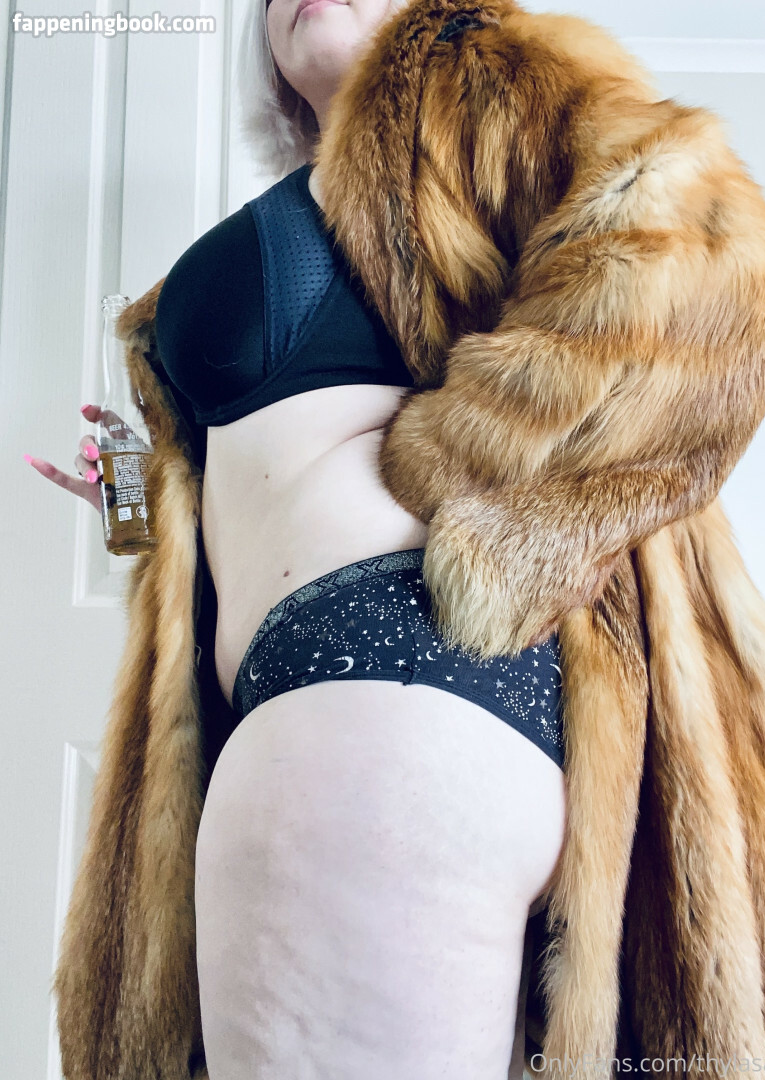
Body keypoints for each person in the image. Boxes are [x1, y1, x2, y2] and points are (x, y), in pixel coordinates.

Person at [27, 0, 567, 1075]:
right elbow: (237, 506)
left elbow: (718, 314)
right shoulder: (282, 212)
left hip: (390, 668)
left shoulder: (504, 155)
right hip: (324, 705)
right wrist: (141, 509)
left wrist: (471, 467)